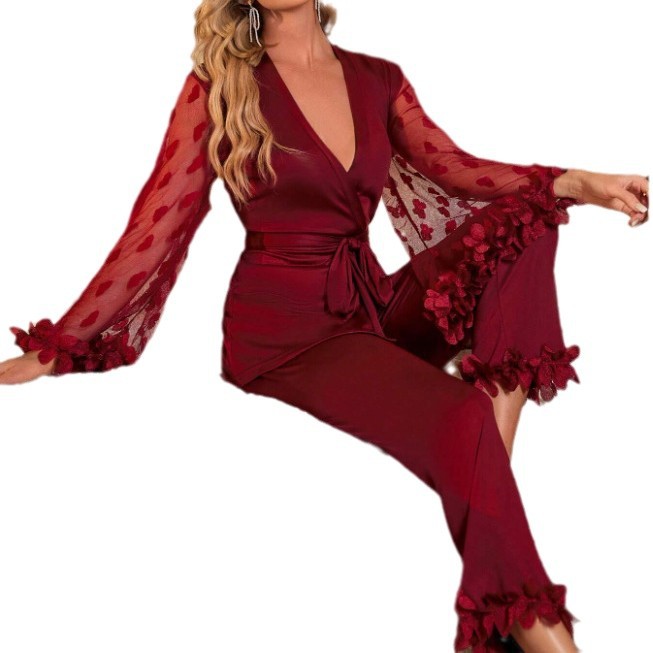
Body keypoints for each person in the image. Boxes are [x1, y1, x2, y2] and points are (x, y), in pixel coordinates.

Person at [0, 1, 648, 651]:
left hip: (367, 303)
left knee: (525, 222)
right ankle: (530, 627)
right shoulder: (220, 84)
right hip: (287, 334)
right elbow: (157, 223)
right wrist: (62, 346)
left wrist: (577, 182)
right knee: (463, 416)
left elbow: (455, 169)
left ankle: (484, 471)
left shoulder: (378, 79)